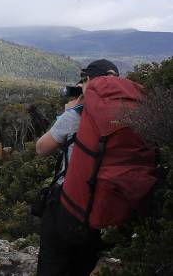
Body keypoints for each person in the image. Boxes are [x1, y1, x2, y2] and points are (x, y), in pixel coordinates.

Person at [35, 59, 119, 276]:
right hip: (106, 206)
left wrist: (67, 113)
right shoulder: (129, 115)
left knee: (53, 266)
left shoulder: (77, 115)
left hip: (69, 204)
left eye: (84, 80)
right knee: (84, 265)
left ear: (90, 81)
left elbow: (42, 148)